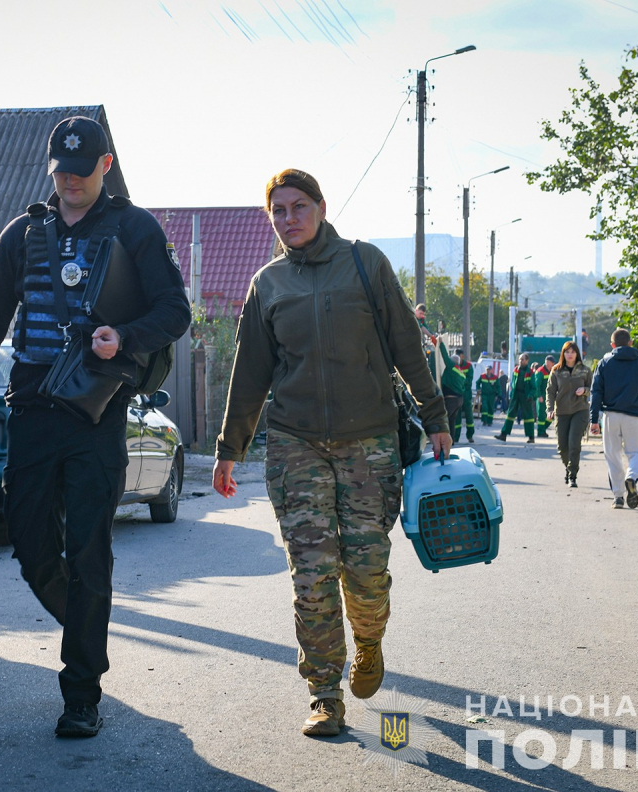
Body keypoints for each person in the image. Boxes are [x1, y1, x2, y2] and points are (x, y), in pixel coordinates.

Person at [0, 116, 191, 738]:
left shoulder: (135, 228)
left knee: (90, 549)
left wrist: (122, 337)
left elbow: (174, 310)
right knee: (30, 541)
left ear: (105, 166)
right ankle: (86, 630)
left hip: (98, 413)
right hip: (32, 407)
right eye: (60, 173)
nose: (70, 183)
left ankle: (81, 694)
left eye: (82, 171)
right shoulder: (24, 233)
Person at [212, 169, 450, 738]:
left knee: (366, 570)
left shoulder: (365, 264)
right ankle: (324, 693)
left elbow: (404, 344)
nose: (288, 219)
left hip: (369, 440)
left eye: (298, 207)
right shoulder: (267, 284)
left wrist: (435, 415)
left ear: (321, 206)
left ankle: (368, 643)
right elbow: (250, 373)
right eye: (278, 211)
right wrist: (228, 449)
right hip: (295, 444)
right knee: (312, 575)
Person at [590, 329, 638, 509]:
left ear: (612, 345)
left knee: (612, 455)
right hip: (635, 416)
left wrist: (594, 419)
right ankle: (632, 475)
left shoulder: (604, 363)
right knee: (637, 452)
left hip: (610, 416)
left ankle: (618, 497)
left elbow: (596, 391)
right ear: (631, 343)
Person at [545, 342, 593, 487]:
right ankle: (568, 467)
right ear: (563, 354)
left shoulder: (585, 371)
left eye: (572, 351)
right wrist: (549, 409)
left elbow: (594, 389)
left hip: (580, 411)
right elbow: (550, 391)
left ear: (577, 353)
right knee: (562, 446)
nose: (570, 354)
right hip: (561, 412)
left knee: (574, 443)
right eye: (567, 352)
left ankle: (572, 475)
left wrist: (584, 390)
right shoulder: (556, 371)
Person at [431, 339, 467, 443]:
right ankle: (452, 440)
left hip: (451, 399)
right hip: (459, 400)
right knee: (452, 420)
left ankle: (444, 441)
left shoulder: (451, 367)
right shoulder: (461, 372)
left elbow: (445, 356)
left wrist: (440, 343)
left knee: (444, 419)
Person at [495, 353, 536, 443]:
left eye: (523, 359)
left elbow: (534, 387)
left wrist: (531, 395)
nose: (521, 361)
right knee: (510, 415)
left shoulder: (530, 372)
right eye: (520, 359)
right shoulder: (516, 370)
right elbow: (513, 384)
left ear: (527, 361)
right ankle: (503, 434)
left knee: (528, 417)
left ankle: (531, 437)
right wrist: (511, 395)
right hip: (516, 395)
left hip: (526, 396)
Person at [533, 355, 556, 438]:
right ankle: (540, 432)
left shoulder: (551, 371)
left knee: (551, 415)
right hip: (542, 395)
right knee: (542, 415)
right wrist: (539, 396)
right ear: (547, 362)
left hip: (549, 396)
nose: (553, 364)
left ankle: (542, 429)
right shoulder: (540, 371)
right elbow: (537, 385)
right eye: (552, 363)